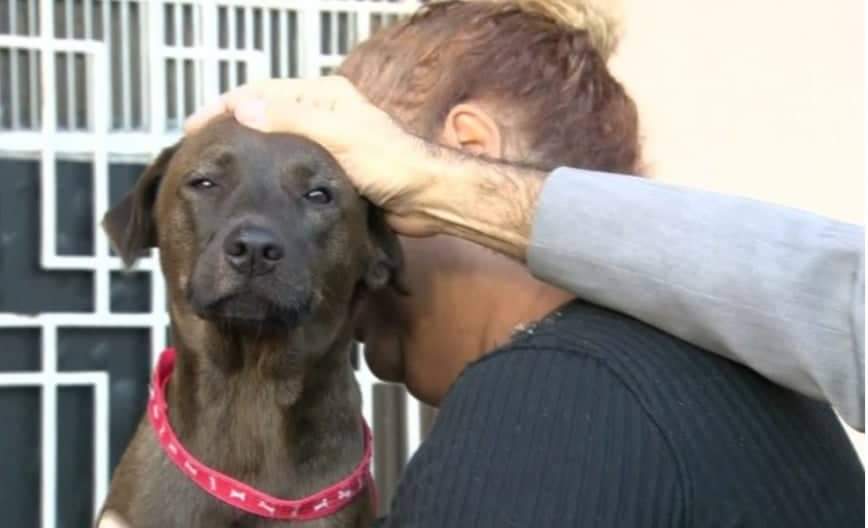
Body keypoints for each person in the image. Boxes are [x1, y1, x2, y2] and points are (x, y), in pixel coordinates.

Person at [187, 1, 867, 525]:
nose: (342, 268)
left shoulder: (557, 393)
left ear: (466, 148)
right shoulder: (727, 371)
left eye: (336, 197)